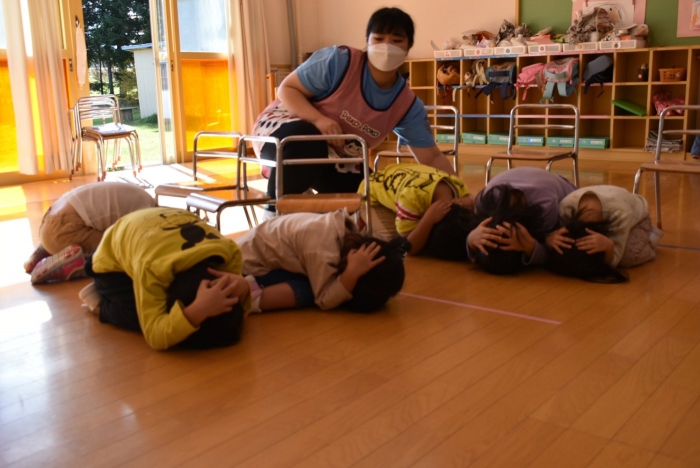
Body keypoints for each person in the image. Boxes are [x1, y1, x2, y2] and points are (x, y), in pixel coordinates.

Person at [252, 7, 456, 215]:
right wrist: (318, 119)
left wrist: (459, 193)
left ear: (409, 46)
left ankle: (322, 222)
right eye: (379, 39)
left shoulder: (406, 104)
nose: (387, 47)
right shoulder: (340, 61)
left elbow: (431, 157)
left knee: (370, 195)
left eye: (396, 40)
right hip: (284, 130)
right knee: (308, 142)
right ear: (367, 40)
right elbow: (287, 89)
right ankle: (273, 216)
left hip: (338, 156)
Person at [79, 207, 251, 350]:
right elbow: (155, 336)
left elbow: (234, 307)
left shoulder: (229, 251)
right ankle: (102, 305)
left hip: (147, 228)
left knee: (160, 314)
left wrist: (244, 288)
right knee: (139, 317)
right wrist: (197, 311)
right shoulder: (153, 267)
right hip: (109, 261)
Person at [236, 209, 409, 313]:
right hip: (247, 267)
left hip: (250, 253)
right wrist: (350, 274)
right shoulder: (323, 249)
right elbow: (325, 300)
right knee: (309, 290)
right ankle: (250, 297)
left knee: (322, 281)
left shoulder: (346, 231)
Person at [24, 182, 156, 284]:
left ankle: (47, 248)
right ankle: (76, 262)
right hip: (62, 230)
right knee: (121, 253)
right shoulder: (146, 214)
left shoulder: (143, 196)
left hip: (49, 221)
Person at [466, 167, 577, 274]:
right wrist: (470, 240)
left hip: (572, 195)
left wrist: (532, 247)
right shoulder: (484, 202)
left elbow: (548, 252)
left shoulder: (545, 206)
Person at [358, 163, 476, 258]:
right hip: (369, 196)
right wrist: (428, 220)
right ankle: (361, 228)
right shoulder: (411, 199)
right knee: (394, 242)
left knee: (415, 231)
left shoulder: (459, 188)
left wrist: (472, 202)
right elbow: (408, 247)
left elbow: (475, 200)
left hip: (396, 178)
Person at [546, 185, 662, 280]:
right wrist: (549, 238)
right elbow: (561, 238)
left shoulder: (620, 214)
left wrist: (609, 246)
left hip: (637, 219)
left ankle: (650, 238)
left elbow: (615, 258)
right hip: (614, 206)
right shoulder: (566, 208)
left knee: (627, 257)